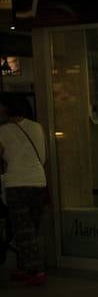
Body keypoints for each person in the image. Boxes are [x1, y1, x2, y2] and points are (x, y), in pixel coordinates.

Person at [0, 92, 48, 286]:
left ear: (7, 108)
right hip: (38, 182)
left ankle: (35, 270)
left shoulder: (3, 131)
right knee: (32, 227)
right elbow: (42, 157)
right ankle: (25, 267)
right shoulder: (37, 127)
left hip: (17, 183)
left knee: (22, 229)